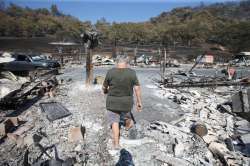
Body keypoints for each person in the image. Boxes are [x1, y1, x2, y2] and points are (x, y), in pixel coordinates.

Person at [102, 55, 142, 149]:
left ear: (116, 62)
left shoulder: (110, 72)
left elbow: (105, 87)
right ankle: (129, 125)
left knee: (114, 121)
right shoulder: (132, 73)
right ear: (127, 63)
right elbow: (137, 88)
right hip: (126, 103)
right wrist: (139, 102)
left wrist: (105, 91)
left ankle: (116, 144)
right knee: (127, 115)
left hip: (112, 102)